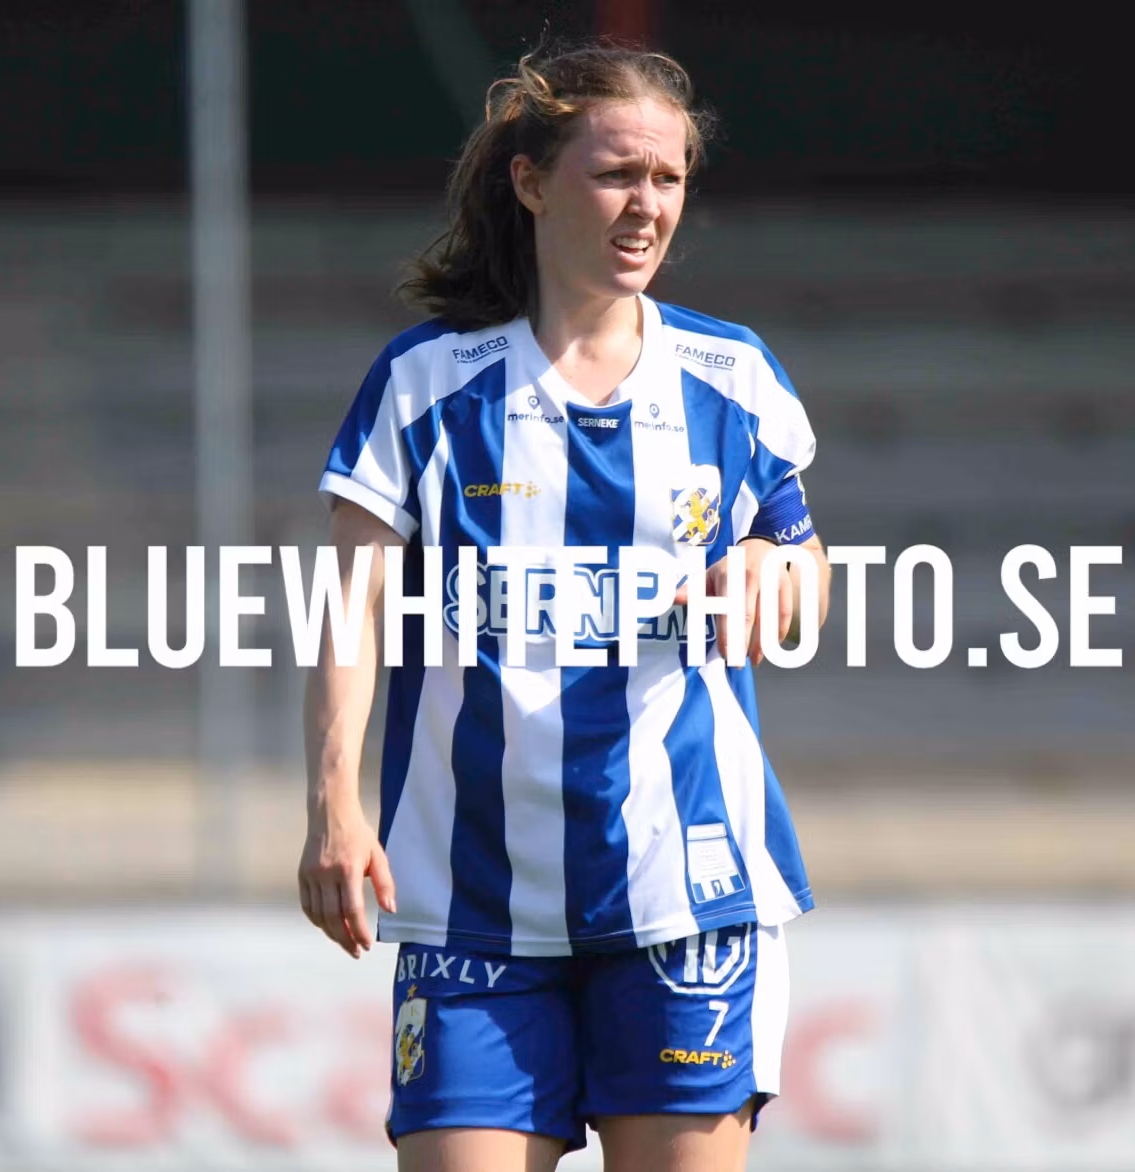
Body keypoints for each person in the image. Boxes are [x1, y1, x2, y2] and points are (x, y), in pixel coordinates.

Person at [301, 42, 832, 1172]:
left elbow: (801, 567)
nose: (646, 205)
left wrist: (772, 577)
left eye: (668, 178)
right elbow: (350, 607)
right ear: (532, 181)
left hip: (685, 898)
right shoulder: (425, 385)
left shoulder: (731, 379)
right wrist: (333, 807)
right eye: (615, 174)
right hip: (469, 904)